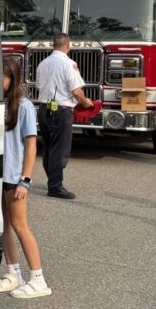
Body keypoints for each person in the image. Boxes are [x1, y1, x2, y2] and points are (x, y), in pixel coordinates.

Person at [0, 56, 51, 299]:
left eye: (1, 78)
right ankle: (13, 273)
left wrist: (25, 180)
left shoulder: (23, 106)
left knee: (20, 225)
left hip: (15, 176)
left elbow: (31, 146)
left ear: (12, 78)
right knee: (4, 225)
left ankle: (38, 279)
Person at [34, 34, 93, 199]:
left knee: (48, 146)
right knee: (60, 148)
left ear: (53, 45)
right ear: (68, 46)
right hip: (60, 110)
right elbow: (76, 90)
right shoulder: (69, 64)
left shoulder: (42, 63)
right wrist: (85, 102)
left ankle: (52, 181)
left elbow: (40, 85)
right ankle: (55, 186)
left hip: (43, 109)